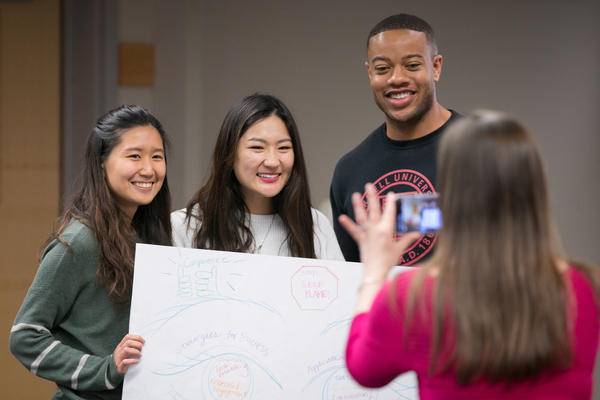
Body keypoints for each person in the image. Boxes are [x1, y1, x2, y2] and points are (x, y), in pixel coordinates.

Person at [340, 110, 600, 399]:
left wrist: (375, 273)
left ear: (451, 196)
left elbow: (363, 368)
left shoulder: (415, 298)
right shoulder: (585, 288)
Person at [9, 105, 173, 400]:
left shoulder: (149, 236)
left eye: (157, 157)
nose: (148, 169)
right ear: (101, 162)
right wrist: (105, 369)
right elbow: (24, 336)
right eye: (134, 155)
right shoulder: (79, 242)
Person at [330, 13, 461, 263]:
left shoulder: (480, 150)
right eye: (382, 69)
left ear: (435, 67)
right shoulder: (349, 170)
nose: (397, 78)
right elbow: (349, 279)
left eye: (412, 65)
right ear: (369, 73)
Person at [171, 93, 343, 260]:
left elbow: (342, 288)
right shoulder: (185, 226)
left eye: (283, 148)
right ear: (229, 153)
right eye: (257, 147)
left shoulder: (315, 225)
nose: (272, 161)